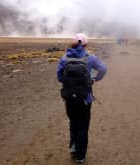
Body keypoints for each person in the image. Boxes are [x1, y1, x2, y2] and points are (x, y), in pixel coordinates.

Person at [57, 33, 107, 163]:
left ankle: (74, 148)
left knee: (73, 122)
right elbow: (103, 68)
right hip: (85, 98)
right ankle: (80, 156)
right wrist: (94, 79)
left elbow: (59, 77)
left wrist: (70, 84)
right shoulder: (90, 58)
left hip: (69, 98)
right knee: (83, 126)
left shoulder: (64, 58)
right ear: (85, 45)